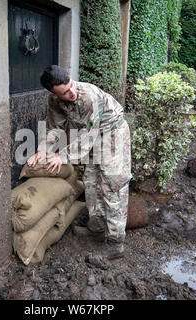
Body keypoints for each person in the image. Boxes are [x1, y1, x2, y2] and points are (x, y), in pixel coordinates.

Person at [27, 65, 132, 260]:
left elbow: (89, 137)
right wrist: (43, 151)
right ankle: (98, 228)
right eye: (65, 92)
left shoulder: (87, 96)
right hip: (88, 136)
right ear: (54, 95)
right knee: (91, 180)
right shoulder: (55, 102)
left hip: (112, 134)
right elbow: (54, 129)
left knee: (112, 185)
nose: (72, 93)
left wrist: (62, 156)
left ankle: (116, 243)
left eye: (71, 86)